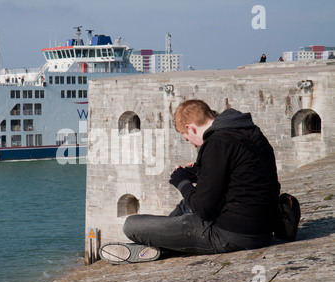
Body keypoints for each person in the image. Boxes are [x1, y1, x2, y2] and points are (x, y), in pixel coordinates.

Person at [99, 99, 280, 264]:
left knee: (132, 225)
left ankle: (159, 246)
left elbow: (204, 209)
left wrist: (182, 182)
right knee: (184, 204)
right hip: (262, 229)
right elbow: (241, 174)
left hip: (232, 235)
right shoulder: (248, 132)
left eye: (188, 139)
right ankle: (163, 242)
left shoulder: (217, 143)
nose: (193, 144)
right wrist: (200, 170)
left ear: (191, 128)